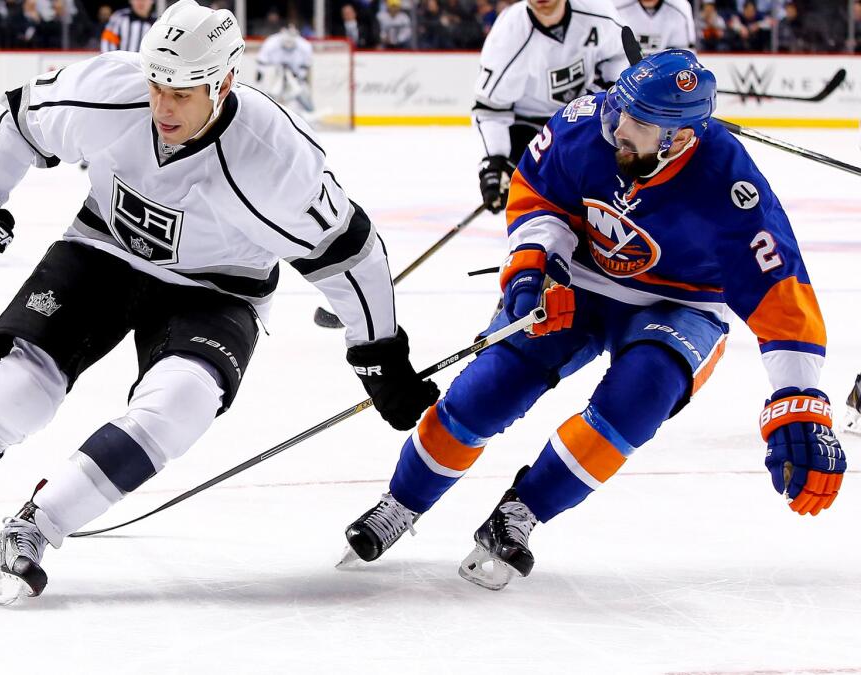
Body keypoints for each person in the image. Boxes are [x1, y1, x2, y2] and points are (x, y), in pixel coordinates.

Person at [0, 0, 438, 604]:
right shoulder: (110, 90)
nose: (163, 106)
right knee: (17, 391)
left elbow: (351, 253)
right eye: (158, 85)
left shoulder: (277, 160)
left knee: (180, 404)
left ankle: (34, 528)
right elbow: (21, 118)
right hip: (104, 251)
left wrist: (378, 349)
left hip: (219, 288)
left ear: (224, 83)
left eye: (184, 91)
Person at [341, 50, 846, 590]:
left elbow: (781, 293)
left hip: (683, 303)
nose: (619, 130)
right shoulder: (588, 124)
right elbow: (536, 193)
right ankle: (402, 500)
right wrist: (537, 265)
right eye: (620, 113)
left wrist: (800, 398)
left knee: (640, 397)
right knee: (489, 389)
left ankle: (523, 513)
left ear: (679, 138)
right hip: (580, 279)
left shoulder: (731, 187)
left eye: (640, 126)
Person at [473, 0, 628, 214]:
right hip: (528, 128)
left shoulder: (597, 12)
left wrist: (605, 92)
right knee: (541, 212)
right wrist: (496, 161)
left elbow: (618, 56)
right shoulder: (508, 34)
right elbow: (491, 109)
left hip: (581, 115)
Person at [254, 26, 316, 117]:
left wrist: (298, 77)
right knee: (270, 95)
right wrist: (260, 82)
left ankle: (309, 112)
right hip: (275, 75)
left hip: (295, 76)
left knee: (301, 93)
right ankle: (265, 112)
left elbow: (306, 68)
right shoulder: (271, 43)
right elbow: (261, 65)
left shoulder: (305, 46)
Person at [616, 0, 696, 54]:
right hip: (622, 71)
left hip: (663, 72)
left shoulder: (680, 7)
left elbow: (683, 54)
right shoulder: (615, 6)